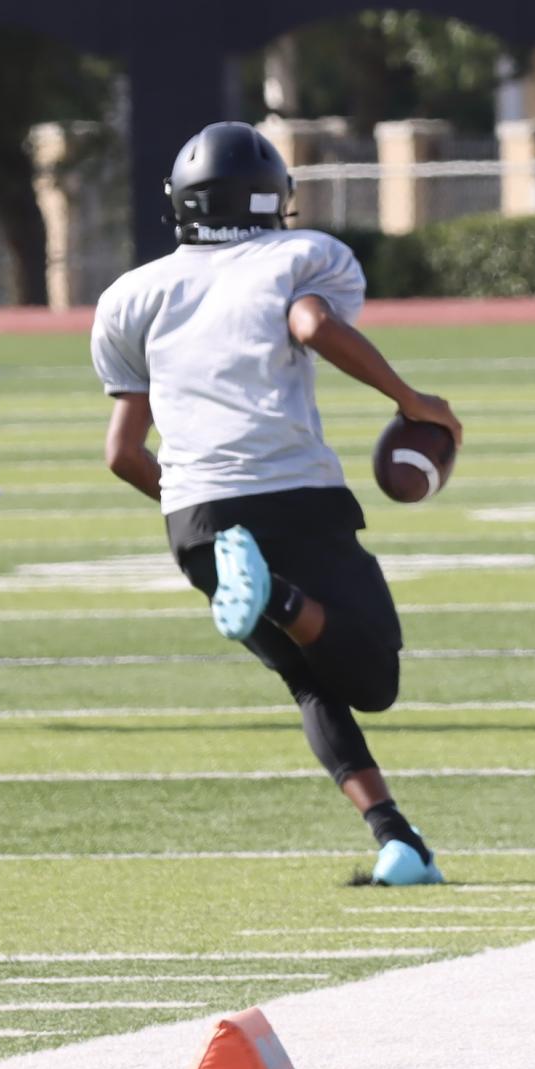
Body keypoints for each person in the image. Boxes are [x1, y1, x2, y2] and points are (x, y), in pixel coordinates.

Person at [91, 121, 462, 885]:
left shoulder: (132, 293)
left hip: (193, 520)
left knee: (310, 680)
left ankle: (397, 840)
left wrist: (199, 504)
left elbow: (122, 452)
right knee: (371, 679)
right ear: (273, 200)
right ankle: (279, 591)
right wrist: (411, 398)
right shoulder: (300, 256)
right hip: (294, 494)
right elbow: (312, 323)